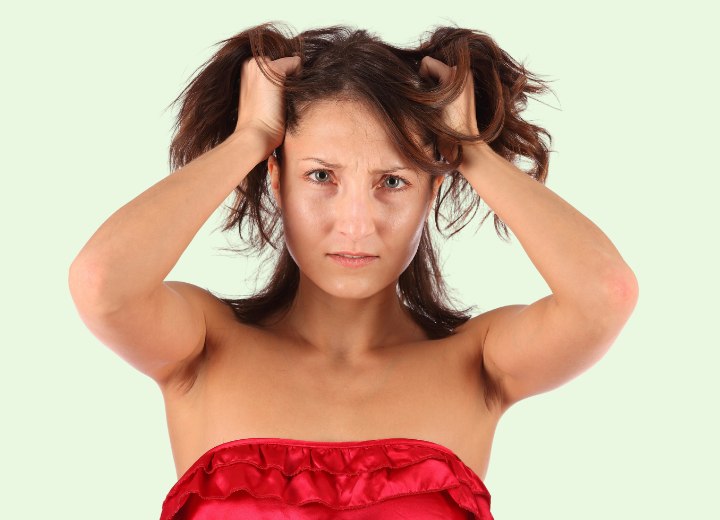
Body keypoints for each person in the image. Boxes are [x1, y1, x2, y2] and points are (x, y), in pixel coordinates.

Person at [68, 22, 638, 519]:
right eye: (321, 177)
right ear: (276, 176)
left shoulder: (478, 364)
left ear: (432, 190)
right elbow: (101, 282)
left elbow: (605, 294)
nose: (355, 225)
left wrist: (471, 151)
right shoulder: (201, 348)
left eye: (393, 181)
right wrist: (249, 138)